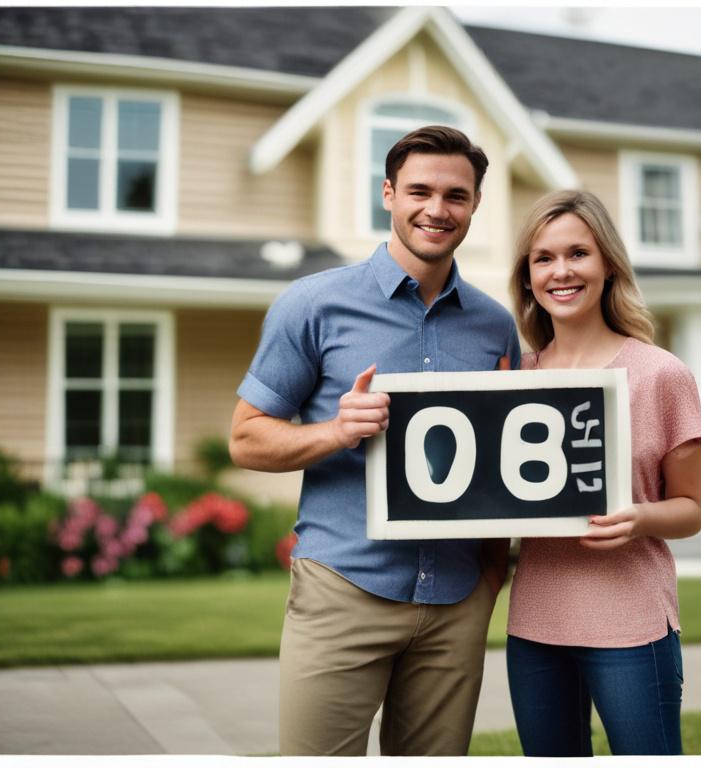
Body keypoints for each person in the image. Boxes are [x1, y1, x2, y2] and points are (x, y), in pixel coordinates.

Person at [229, 126, 520, 757]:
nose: (437, 209)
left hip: (455, 598)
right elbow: (246, 440)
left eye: (456, 195)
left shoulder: (495, 326)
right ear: (388, 194)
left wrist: (491, 576)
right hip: (344, 588)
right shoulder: (313, 304)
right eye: (419, 190)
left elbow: (501, 465)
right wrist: (338, 430)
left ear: (474, 206)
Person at [504, 190, 701, 756]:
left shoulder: (660, 374)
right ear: (527, 277)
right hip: (535, 622)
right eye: (543, 258)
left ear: (608, 265)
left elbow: (693, 507)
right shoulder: (510, 381)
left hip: (631, 621)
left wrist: (640, 517)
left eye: (578, 253)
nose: (561, 271)